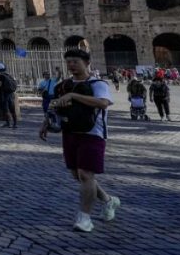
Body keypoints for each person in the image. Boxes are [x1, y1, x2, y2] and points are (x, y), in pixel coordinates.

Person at [38, 49, 119, 233]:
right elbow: (55, 106)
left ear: (87, 62)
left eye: (75, 61)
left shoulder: (97, 84)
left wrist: (74, 96)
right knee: (78, 175)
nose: (71, 65)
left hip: (93, 133)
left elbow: (103, 103)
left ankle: (84, 218)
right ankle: (108, 200)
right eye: (69, 62)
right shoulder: (64, 85)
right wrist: (45, 123)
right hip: (70, 131)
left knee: (85, 174)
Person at [0, 62, 18, 128]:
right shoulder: (9, 75)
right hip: (11, 94)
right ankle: (15, 124)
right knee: (12, 110)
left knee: (6, 110)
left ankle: (8, 123)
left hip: (4, 94)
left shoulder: (0, 76)